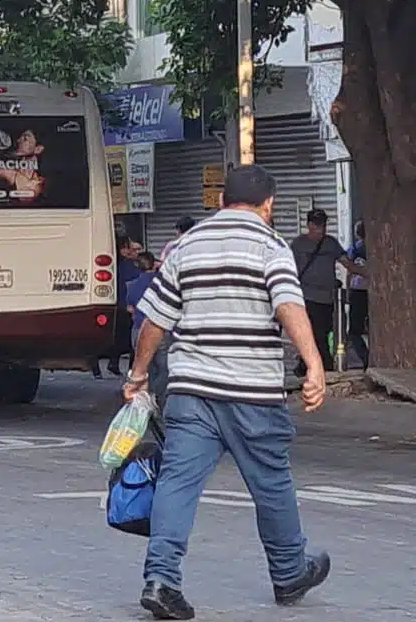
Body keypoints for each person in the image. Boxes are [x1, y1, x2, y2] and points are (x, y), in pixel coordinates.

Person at [128, 165, 330, 620]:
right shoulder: (270, 246)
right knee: (271, 482)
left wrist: (138, 374)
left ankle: (161, 580)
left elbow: (154, 320)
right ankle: (289, 571)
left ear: (220, 201)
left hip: (192, 390)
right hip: (252, 393)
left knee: (178, 483)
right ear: (269, 204)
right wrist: (314, 364)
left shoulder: (187, 246)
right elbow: (288, 305)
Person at [289, 209, 359, 377]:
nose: (321, 229)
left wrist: (366, 272)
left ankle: (307, 364)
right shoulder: (298, 245)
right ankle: (323, 366)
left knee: (323, 332)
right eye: (317, 225)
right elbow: (288, 268)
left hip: (327, 299)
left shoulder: (330, 244)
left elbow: (347, 263)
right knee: (313, 333)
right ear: (309, 225)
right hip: (305, 297)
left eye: (324, 225)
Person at [123, 251, 168, 407]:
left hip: (138, 330)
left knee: (144, 367)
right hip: (160, 329)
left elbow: (130, 308)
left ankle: (145, 399)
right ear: (153, 264)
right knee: (163, 367)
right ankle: (159, 397)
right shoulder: (162, 283)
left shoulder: (132, 285)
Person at [111, 234, 144, 375]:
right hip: (127, 305)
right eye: (129, 248)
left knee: (122, 337)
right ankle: (130, 367)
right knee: (130, 339)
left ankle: (115, 362)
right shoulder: (127, 266)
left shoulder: (117, 263)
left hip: (120, 303)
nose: (133, 252)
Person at [345, 221, 371, 370]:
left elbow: (349, 270)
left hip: (357, 291)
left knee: (354, 331)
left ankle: (366, 357)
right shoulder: (376, 248)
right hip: (372, 292)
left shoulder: (354, 249)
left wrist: (348, 290)